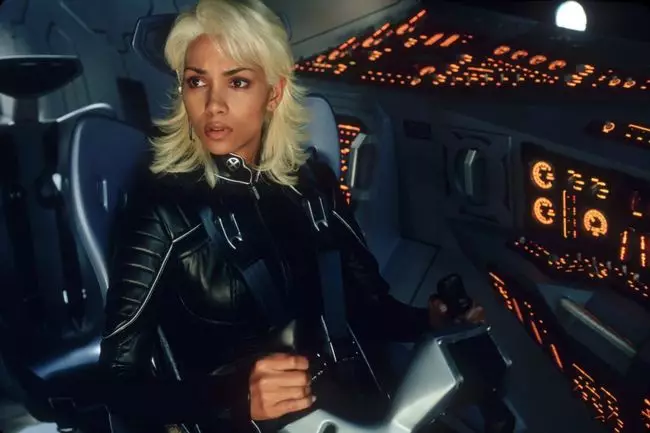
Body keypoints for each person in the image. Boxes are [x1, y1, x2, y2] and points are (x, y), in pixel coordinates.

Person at [97, 0, 485, 432]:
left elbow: (370, 307)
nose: (213, 104)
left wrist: (427, 322)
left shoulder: (314, 186)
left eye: (237, 82)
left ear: (274, 93)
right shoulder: (160, 208)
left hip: (351, 407)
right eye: (196, 81)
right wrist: (234, 396)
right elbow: (116, 384)